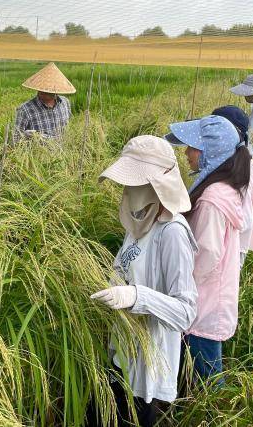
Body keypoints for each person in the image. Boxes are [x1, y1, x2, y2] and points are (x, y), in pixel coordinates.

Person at [89, 136, 197, 426]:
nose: (127, 190)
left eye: (135, 183)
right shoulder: (138, 222)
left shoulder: (171, 233)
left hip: (149, 371)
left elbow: (186, 311)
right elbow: (126, 266)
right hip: (122, 354)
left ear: (156, 185)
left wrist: (137, 297)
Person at [165, 115, 250, 385]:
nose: (187, 153)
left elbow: (206, 254)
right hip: (212, 298)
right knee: (202, 371)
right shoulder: (222, 186)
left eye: (192, 147)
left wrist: (178, 287)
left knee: (209, 381)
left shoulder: (212, 198)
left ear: (210, 151)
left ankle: (219, 413)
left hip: (204, 303)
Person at [212, 106, 253, 268]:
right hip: (230, 241)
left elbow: (245, 217)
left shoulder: (244, 167)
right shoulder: (235, 161)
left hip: (234, 243)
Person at [13, 62, 75, 144]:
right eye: (43, 91)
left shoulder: (65, 103)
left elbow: (68, 128)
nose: (45, 93)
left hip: (64, 153)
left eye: (50, 91)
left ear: (56, 91)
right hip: (38, 154)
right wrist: (31, 135)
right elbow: (15, 138)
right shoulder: (25, 109)